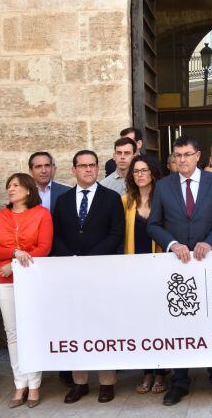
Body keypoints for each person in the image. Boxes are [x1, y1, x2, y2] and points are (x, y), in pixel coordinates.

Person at [149, 136, 212, 406]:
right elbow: (154, 224)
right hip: (177, 267)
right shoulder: (162, 186)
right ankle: (180, 382)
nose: (182, 160)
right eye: (178, 155)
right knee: (179, 324)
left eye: (187, 154)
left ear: (198, 156)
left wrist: (209, 241)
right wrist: (172, 244)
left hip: (209, 263)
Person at [51, 150, 125, 403]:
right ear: (73, 170)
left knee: (102, 325)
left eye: (92, 165)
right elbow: (56, 235)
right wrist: (71, 259)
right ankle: (79, 382)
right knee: (75, 327)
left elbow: (116, 233)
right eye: (82, 166)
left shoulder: (111, 198)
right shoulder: (62, 200)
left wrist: (91, 258)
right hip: (70, 273)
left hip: (101, 271)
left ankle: (107, 382)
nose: (88, 170)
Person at [0, 172, 54, 408]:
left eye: (16, 185)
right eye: (9, 186)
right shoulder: (0, 216)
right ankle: (20, 384)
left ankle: (34, 385)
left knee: (31, 330)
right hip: (4, 281)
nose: (11, 189)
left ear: (28, 190)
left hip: (31, 280)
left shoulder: (42, 214)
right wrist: (15, 254)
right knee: (13, 333)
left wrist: (13, 266)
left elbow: (44, 248)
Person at [123, 155, 167, 394]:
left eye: (144, 170)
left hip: (159, 270)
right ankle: (146, 373)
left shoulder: (163, 200)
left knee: (159, 323)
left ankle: (161, 373)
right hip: (134, 272)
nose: (140, 175)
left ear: (153, 173)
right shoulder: (125, 202)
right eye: (136, 171)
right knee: (140, 323)